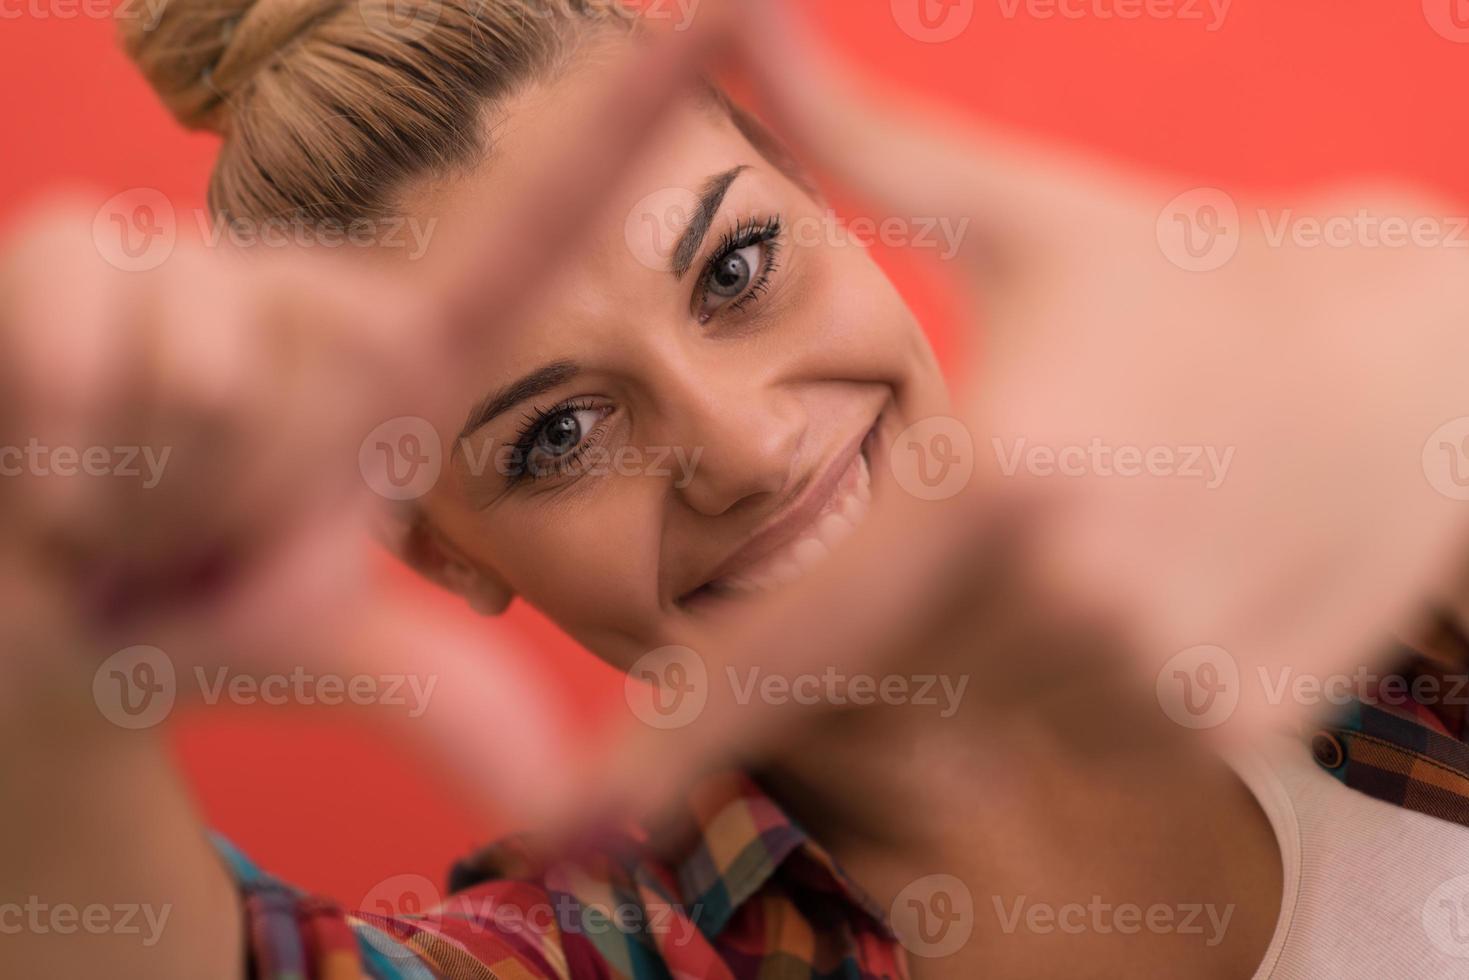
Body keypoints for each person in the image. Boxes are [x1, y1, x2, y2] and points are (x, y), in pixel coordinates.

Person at [3, 0, 1468, 977]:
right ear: (436, 545)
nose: (747, 446)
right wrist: (44, 689)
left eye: (737, 270)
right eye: (556, 435)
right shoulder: (612, 952)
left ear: (837, 200)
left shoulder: (1380, 607)